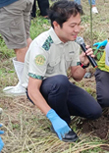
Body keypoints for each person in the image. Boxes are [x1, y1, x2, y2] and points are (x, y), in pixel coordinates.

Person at [21, 1, 102, 142]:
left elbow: (76, 76)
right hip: (42, 89)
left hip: (61, 86)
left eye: (79, 24)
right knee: (60, 81)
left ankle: (60, 108)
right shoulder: (42, 46)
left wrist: (84, 64)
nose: (77, 29)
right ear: (56, 24)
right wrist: (53, 117)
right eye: (72, 26)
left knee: (94, 111)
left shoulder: (73, 41)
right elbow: (32, 90)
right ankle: (61, 119)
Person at [0, 0, 33, 95]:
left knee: (19, 45)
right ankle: (35, 78)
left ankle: (25, 85)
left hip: (9, 4)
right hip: (21, 2)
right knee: (25, 39)